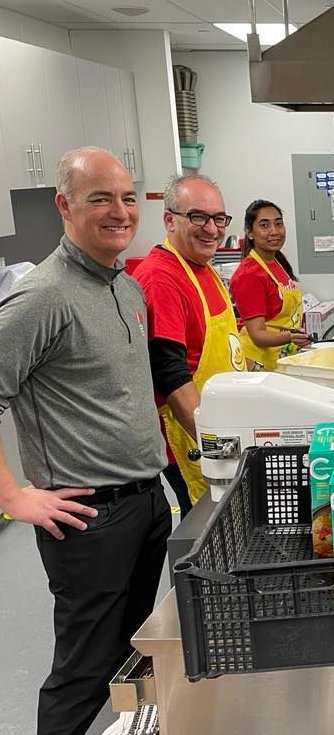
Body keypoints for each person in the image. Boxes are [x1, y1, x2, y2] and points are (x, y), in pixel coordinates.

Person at [0, 147, 170, 735]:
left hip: (146, 502)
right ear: (64, 206)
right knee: (85, 669)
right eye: (100, 198)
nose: (119, 211)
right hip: (87, 518)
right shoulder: (41, 296)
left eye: (126, 197)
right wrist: (14, 497)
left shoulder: (125, 287)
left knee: (133, 656)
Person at [134, 173, 245, 516]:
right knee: (210, 532)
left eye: (219, 218)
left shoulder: (203, 268)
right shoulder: (161, 278)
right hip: (192, 436)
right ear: (169, 219)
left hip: (224, 423)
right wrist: (218, 451)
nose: (211, 229)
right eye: (198, 217)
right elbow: (170, 374)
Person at [229, 199, 311, 369]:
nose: (275, 231)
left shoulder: (277, 263)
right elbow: (257, 334)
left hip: (281, 355)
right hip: (258, 362)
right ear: (249, 232)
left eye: (279, 224)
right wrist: (291, 337)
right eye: (264, 225)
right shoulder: (249, 275)